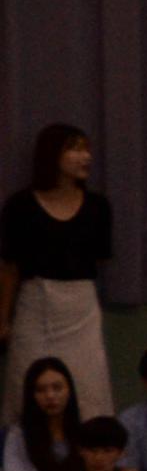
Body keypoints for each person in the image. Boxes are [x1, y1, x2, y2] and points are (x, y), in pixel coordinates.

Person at [0, 124, 117, 421]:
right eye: (75, 149)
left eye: (86, 149)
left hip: (80, 307)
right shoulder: (21, 205)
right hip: (34, 303)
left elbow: (100, 261)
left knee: (88, 388)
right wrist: (4, 318)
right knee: (27, 385)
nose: (85, 156)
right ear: (53, 155)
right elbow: (10, 267)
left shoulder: (98, 207)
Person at [5, 355, 85, 471]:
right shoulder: (18, 437)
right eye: (41, 390)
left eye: (57, 388)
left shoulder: (84, 433)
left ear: (69, 391)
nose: (50, 396)